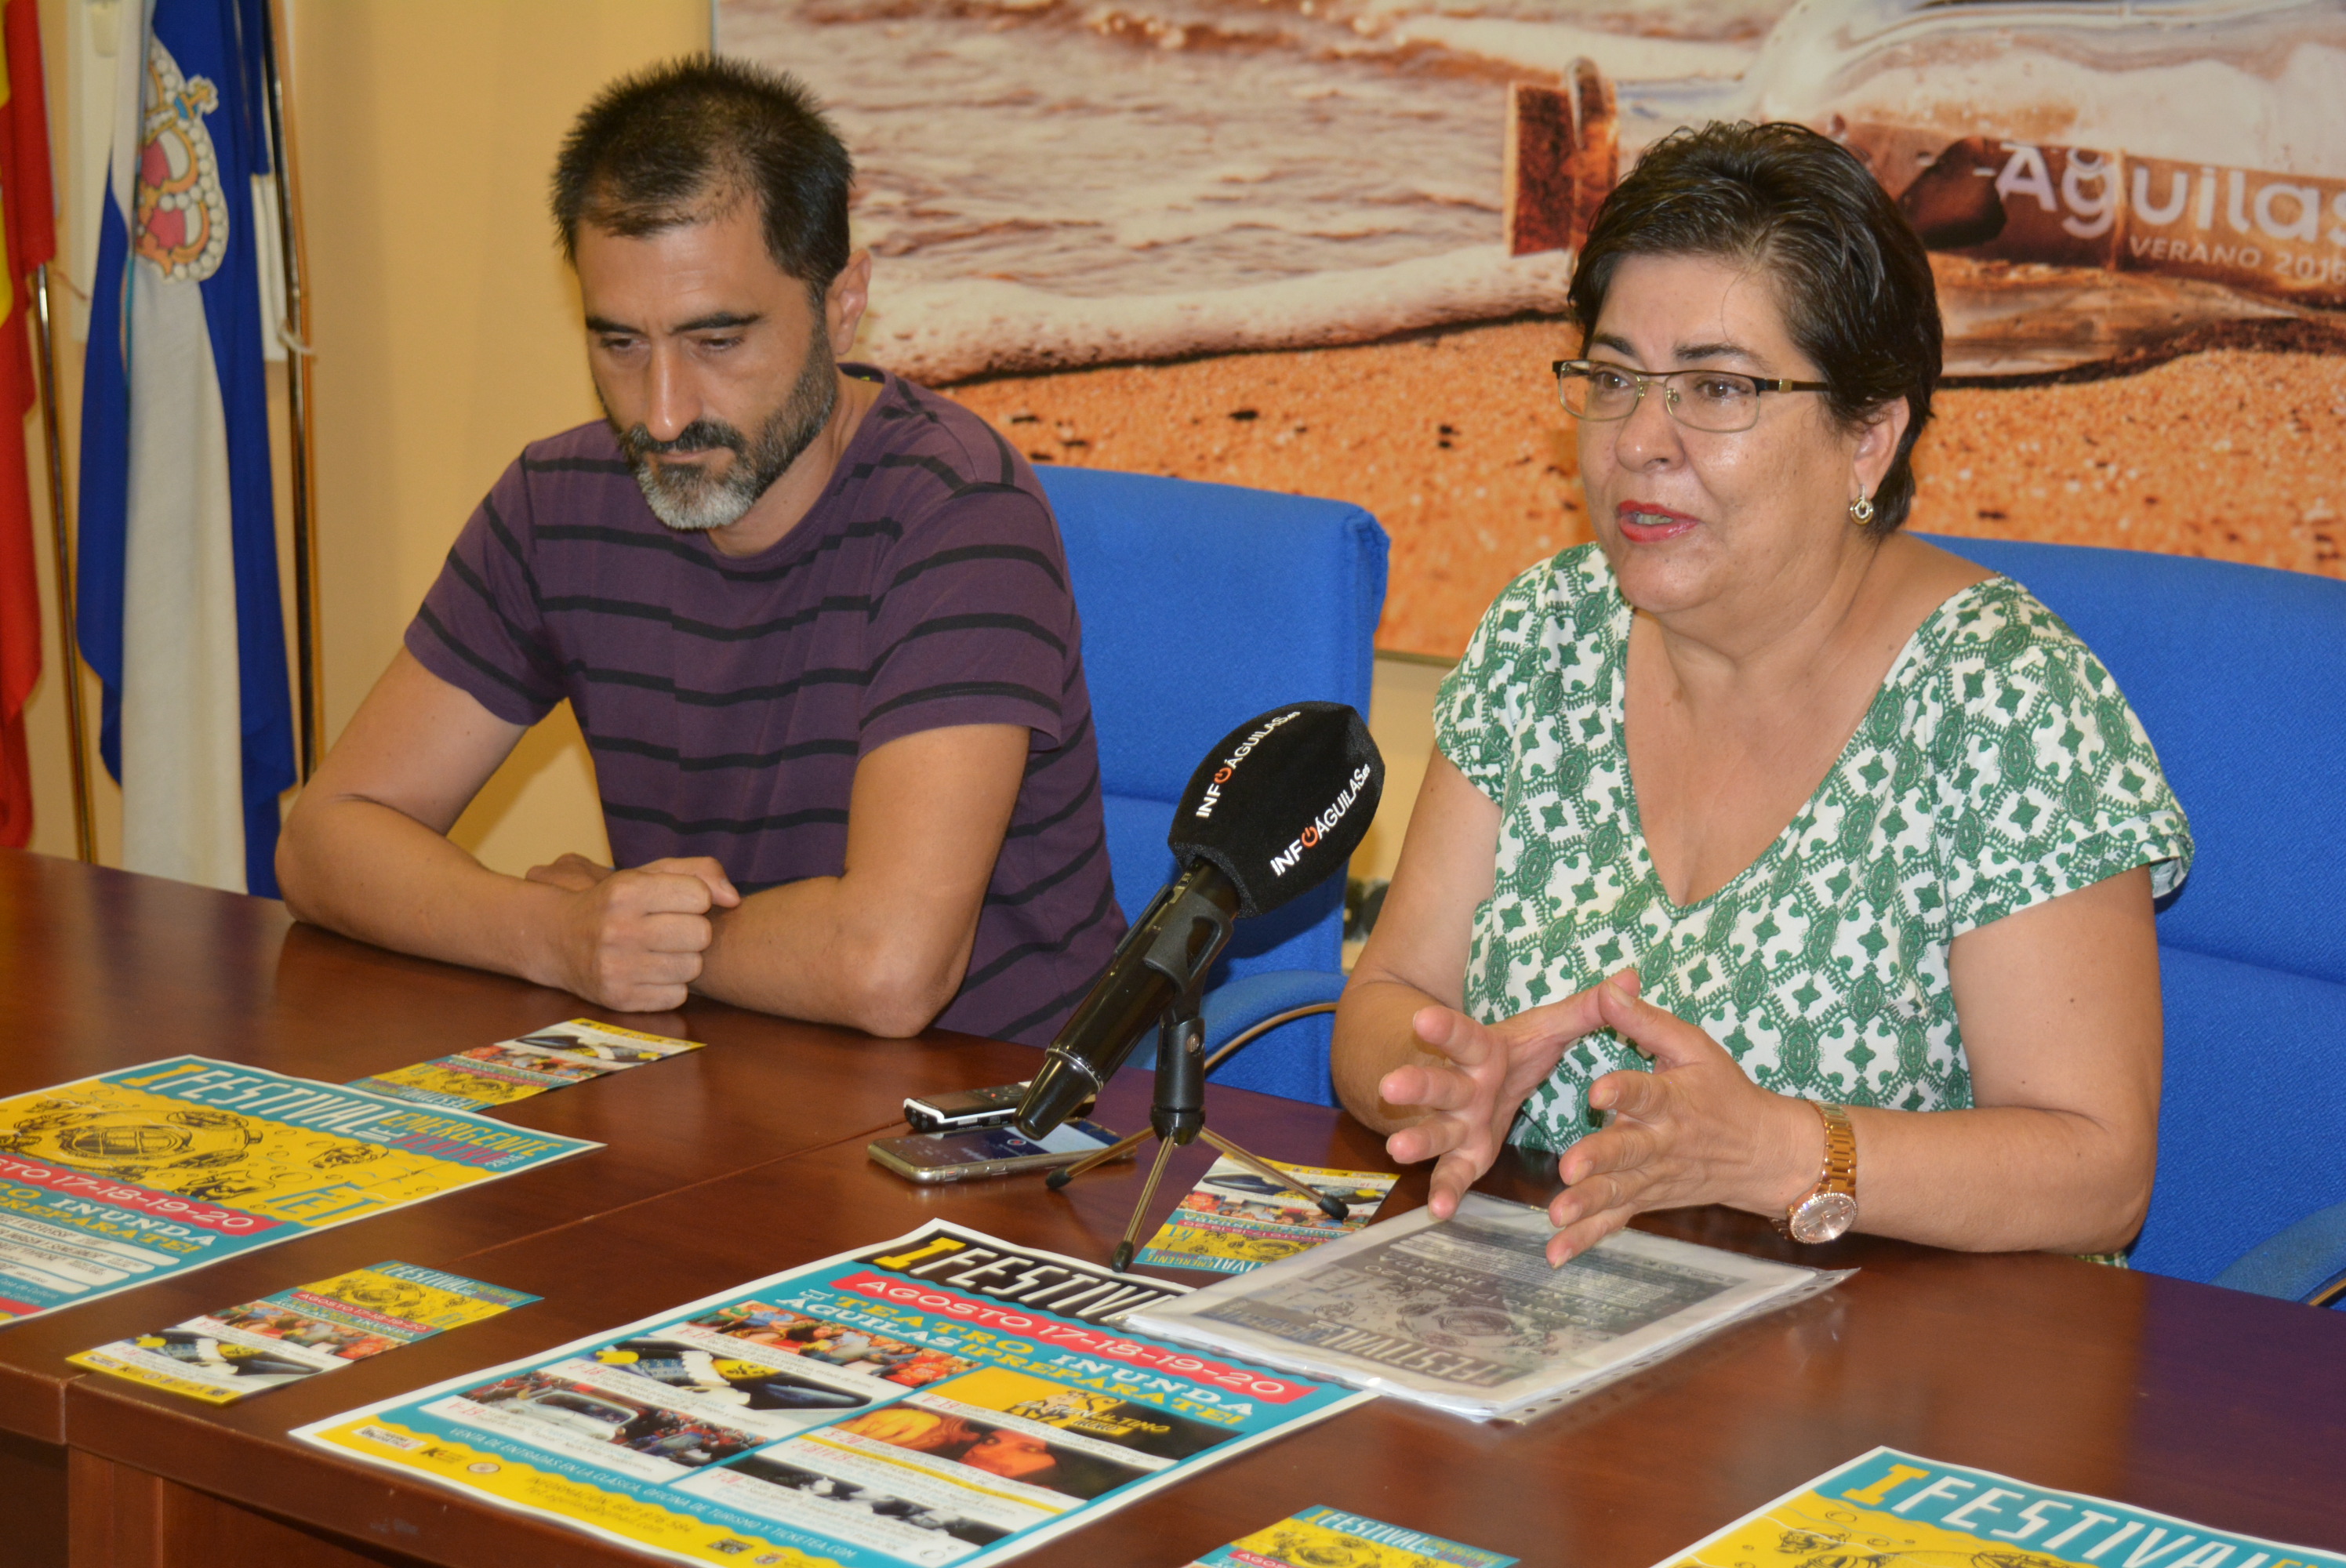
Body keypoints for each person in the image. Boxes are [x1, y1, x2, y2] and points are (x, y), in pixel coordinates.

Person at [1332, 122, 2191, 1265]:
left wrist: (1780, 1153)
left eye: (1718, 387)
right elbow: (1387, 992)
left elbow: (2097, 1172)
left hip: (1906, 1369)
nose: (1641, 441)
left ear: (1867, 439)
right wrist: (1441, 1083)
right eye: (1616, 376)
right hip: (1558, 1307)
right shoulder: (1547, 633)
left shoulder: (2004, 702)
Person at [275, 57, 1124, 1044]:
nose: (665, 412)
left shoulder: (958, 510)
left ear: (842, 302)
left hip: (982, 1121)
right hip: (710, 1076)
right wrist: (559, 932)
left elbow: (888, 967)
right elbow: (325, 836)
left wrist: (637, 933)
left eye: (716, 341)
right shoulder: (558, 502)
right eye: (620, 345)